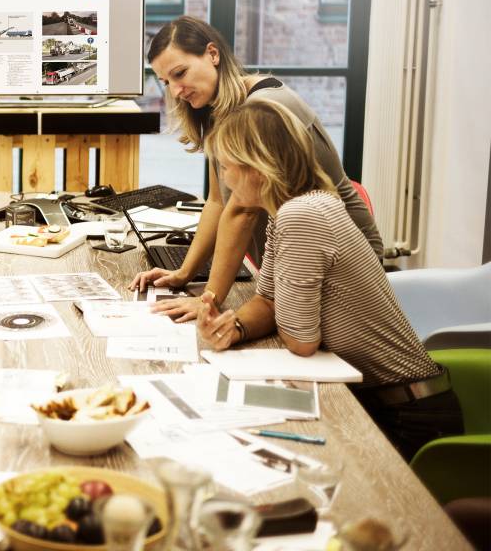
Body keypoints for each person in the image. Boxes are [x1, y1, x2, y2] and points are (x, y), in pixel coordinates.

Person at [195, 98, 463, 461]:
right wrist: (236, 326)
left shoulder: (301, 216)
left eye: (226, 167)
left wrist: (275, 314)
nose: (224, 179)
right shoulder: (293, 209)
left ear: (258, 169)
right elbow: (269, 302)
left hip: (406, 416)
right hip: (390, 399)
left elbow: (302, 339)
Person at [130, 16, 382, 321]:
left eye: (180, 73)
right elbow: (218, 201)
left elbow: (242, 211)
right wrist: (184, 273)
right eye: (166, 82)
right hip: (294, 263)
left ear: (213, 54)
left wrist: (208, 300)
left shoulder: (262, 108)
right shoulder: (219, 109)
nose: (175, 91)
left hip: (343, 268)